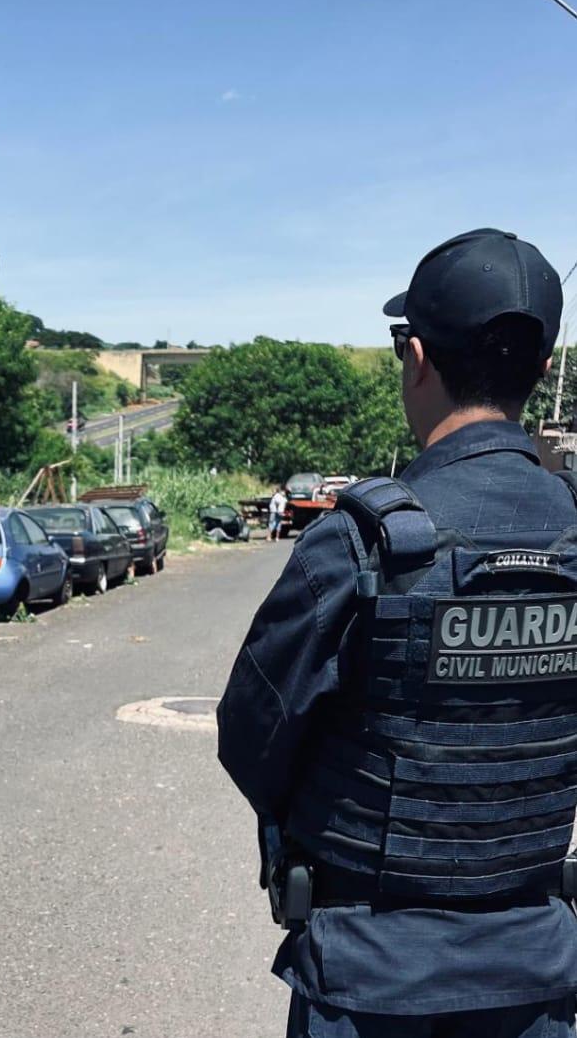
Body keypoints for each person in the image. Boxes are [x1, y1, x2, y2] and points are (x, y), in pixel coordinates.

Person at [218, 228, 577, 1037]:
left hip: (368, 977)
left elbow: (250, 733)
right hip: (536, 974)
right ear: (543, 368)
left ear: (416, 358)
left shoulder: (360, 541)